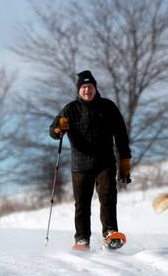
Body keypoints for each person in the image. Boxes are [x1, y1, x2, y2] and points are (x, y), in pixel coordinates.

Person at [50, 70, 132, 250]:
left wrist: (125, 160)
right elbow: (53, 132)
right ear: (79, 89)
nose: (87, 90)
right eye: (84, 87)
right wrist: (59, 128)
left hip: (105, 162)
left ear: (95, 88)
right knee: (82, 203)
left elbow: (121, 136)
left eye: (91, 87)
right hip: (80, 164)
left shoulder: (108, 107)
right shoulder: (70, 109)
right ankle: (82, 239)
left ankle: (110, 233)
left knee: (108, 197)